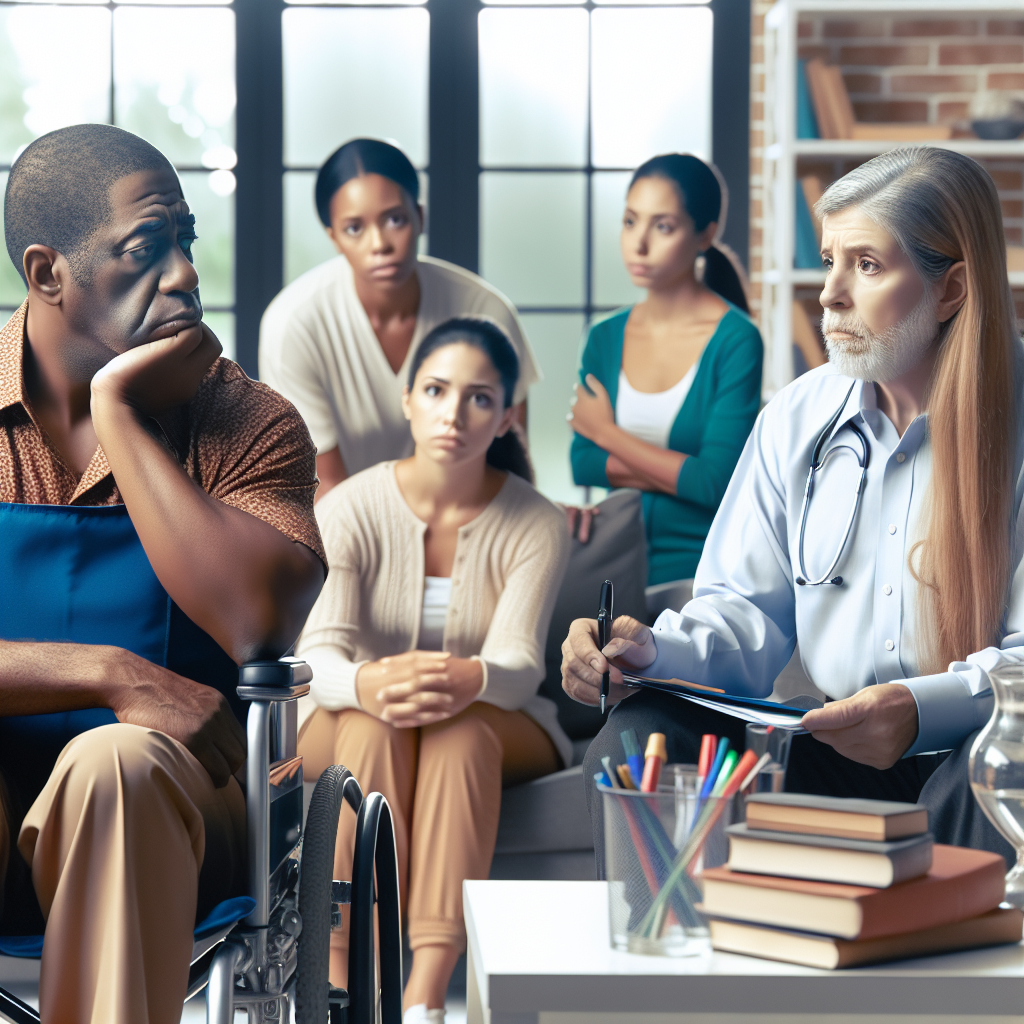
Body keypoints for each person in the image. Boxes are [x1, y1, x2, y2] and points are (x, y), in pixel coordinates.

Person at [562, 147, 1021, 867]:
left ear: (951, 289)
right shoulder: (797, 418)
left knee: (992, 763)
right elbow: (744, 614)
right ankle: (660, 967)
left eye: (866, 266)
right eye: (830, 260)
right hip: (833, 750)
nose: (830, 294)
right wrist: (648, 649)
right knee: (641, 730)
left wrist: (921, 707)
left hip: (977, 756)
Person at [0, 124, 326, 1023]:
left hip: (184, 806)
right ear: (48, 273)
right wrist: (110, 673)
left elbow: (257, 620)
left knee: (114, 764)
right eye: (146, 247)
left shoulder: (250, 422)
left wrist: (121, 417)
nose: (184, 271)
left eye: (184, 238)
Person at [296, 317, 570, 1023]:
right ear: (407, 399)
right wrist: (368, 685)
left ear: (508, 415)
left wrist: (469, 681)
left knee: (460, 735)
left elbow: (519, 664)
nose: (453, 413)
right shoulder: (349, 506)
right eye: (437, 390)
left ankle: (423, 998)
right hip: (348, 713)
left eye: (480, 398)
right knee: (372, 729)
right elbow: (318, 653)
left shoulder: (537, 521)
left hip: (489, 719)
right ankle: (348, 985)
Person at [259, 138, 540, 500]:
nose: (380, 244)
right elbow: (324, 485)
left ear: (420, 217)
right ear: (334, 237)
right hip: (348, 525)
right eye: (355, 228)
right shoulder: (293, 324)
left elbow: (511, 465)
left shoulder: (485, 311)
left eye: (395, 219)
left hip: (468, 514)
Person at [569, 154, 763, 584]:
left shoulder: (736, 340)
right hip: (611, 570)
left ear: (705, 235)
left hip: (703, 575)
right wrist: (679, 473)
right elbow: (581, 463)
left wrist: (608, 435)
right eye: (630, 221)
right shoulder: (603, 337)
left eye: (663, 226)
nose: (638, 244)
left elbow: (715, 484)